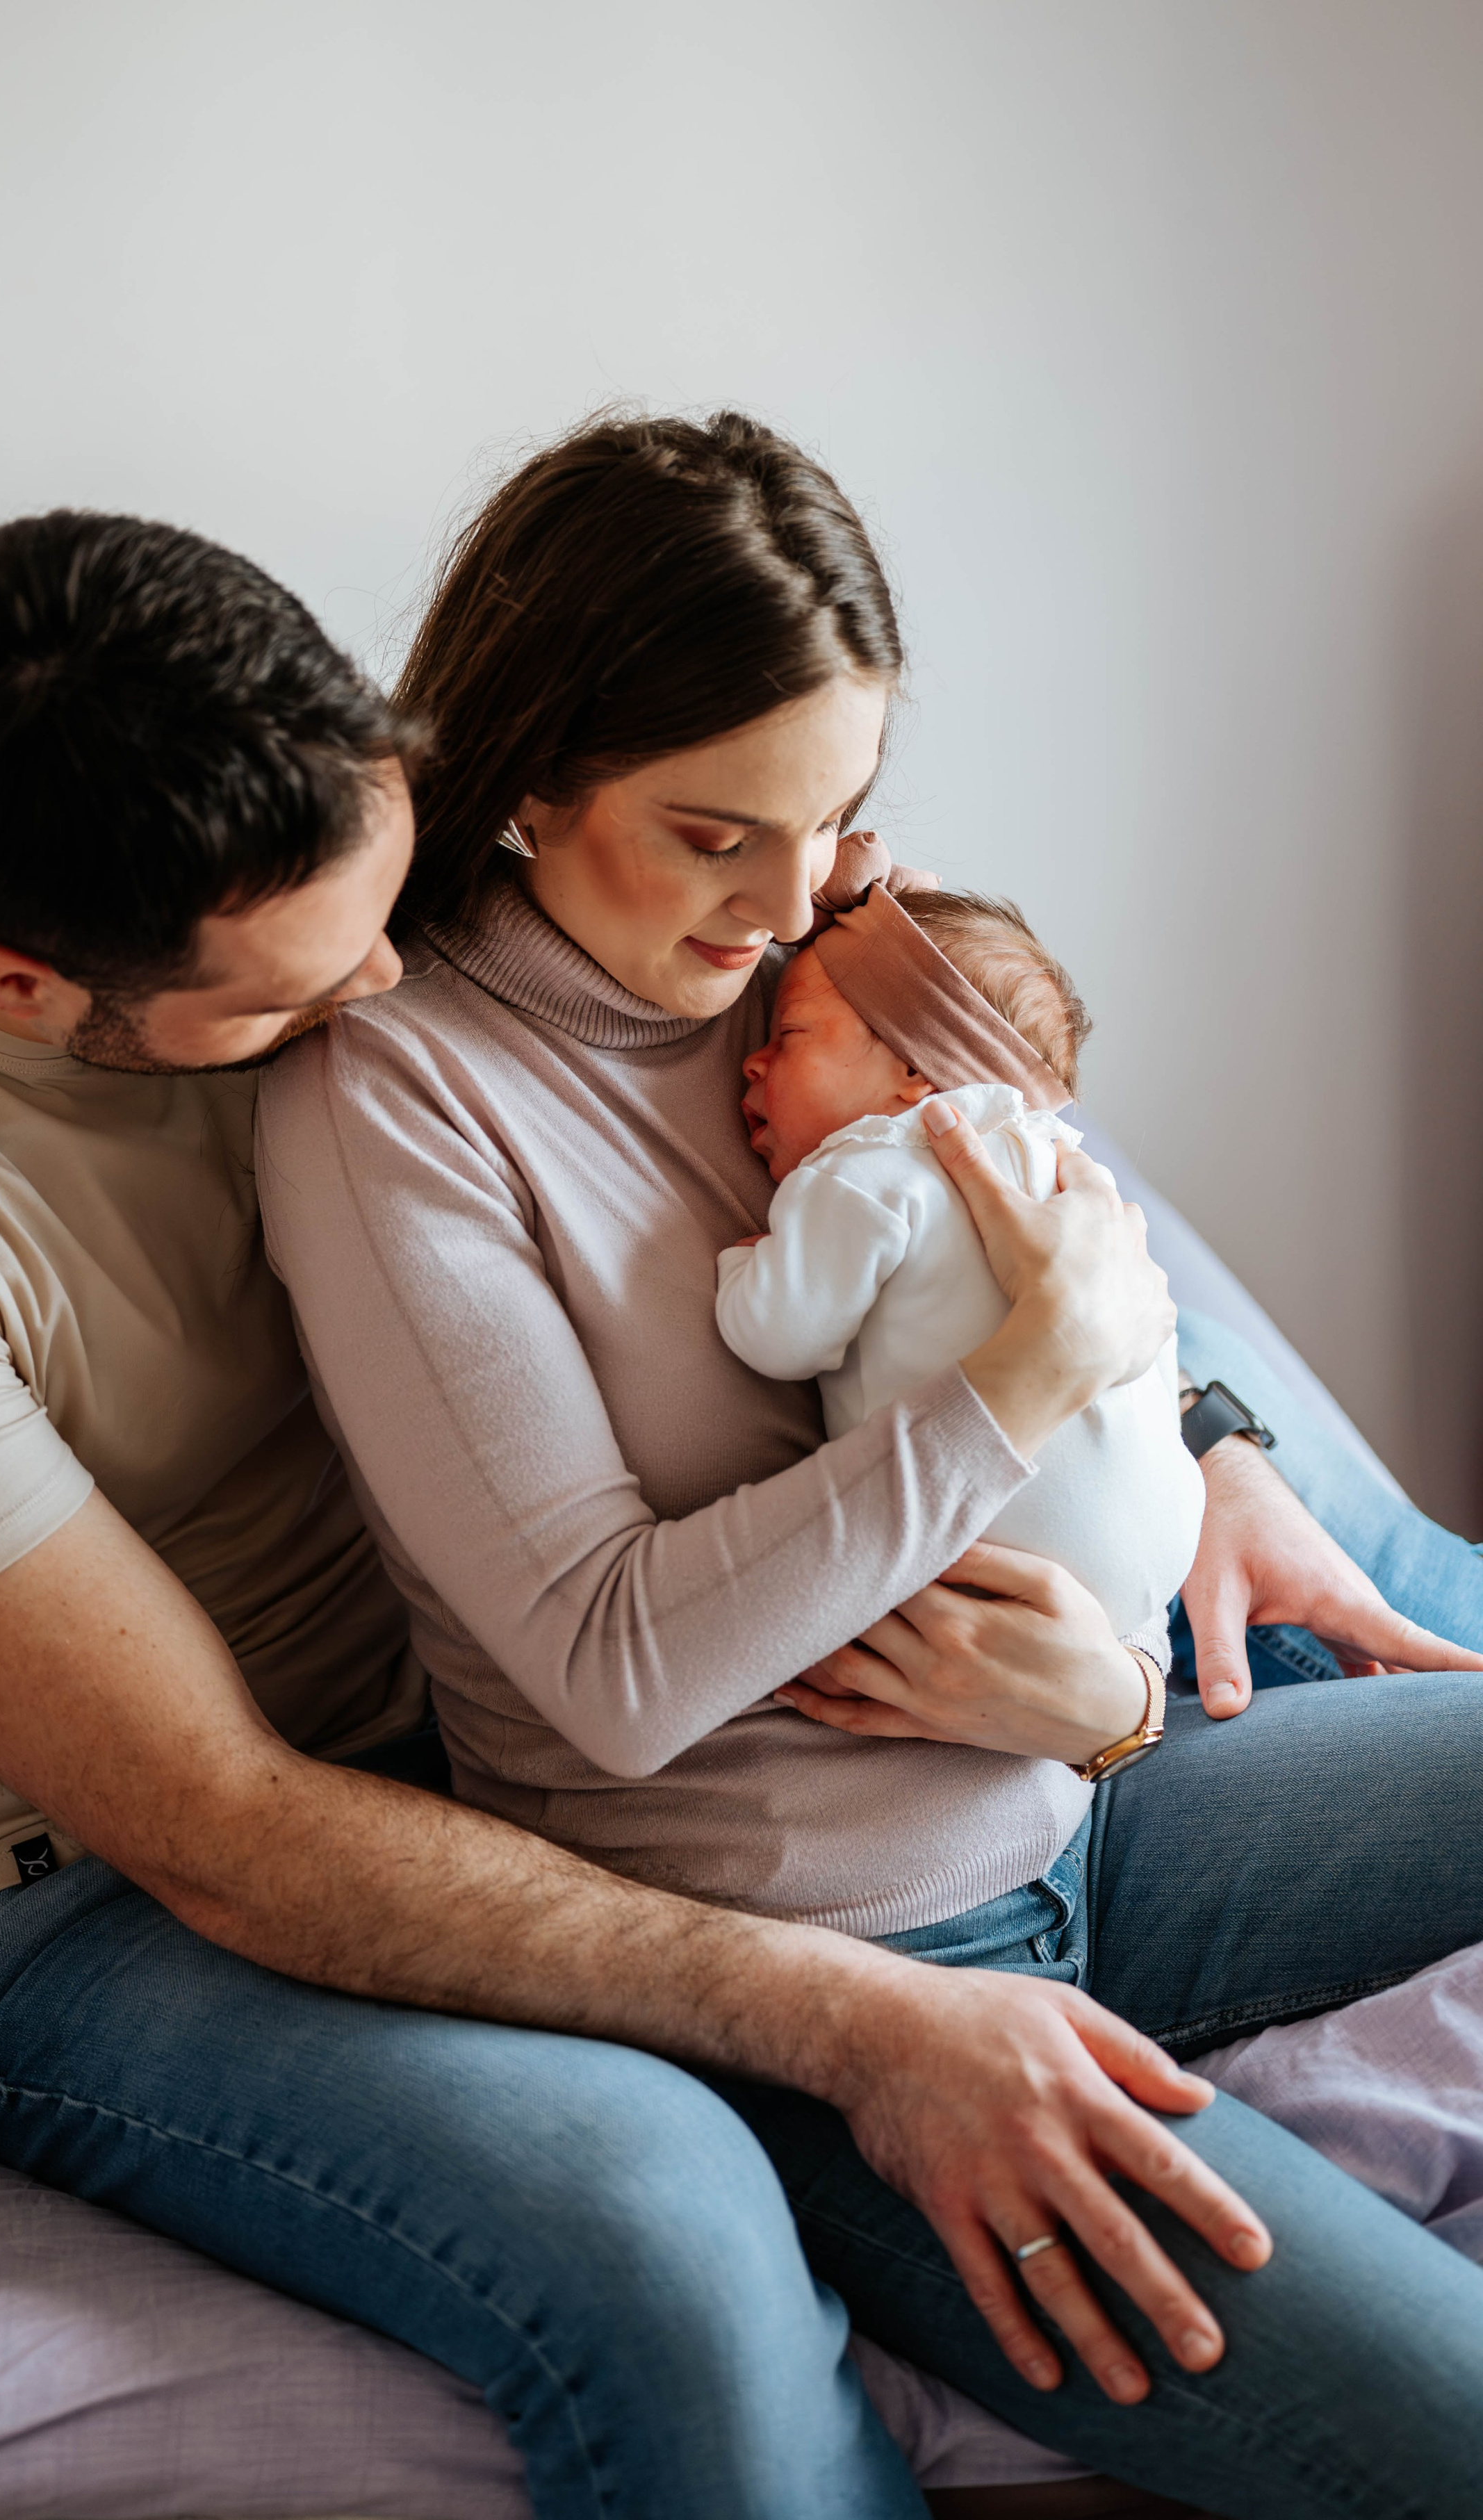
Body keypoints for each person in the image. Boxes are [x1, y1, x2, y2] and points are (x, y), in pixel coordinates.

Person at [0, 493, 1470, 2520]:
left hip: (609, 1756)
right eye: (291, 999)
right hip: (64, 1882)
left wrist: (1199, 1463)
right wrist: (872, 2022)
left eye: (393, 888)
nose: (384, 980)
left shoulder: (533, 873)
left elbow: (1006, 1192)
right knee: (662, 2229)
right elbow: (230, 1826)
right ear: (29, 993)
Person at [259, 408, 1483, 2515]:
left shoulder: (839, 951)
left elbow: (1077, 1260)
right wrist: (1005, 1396)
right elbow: (613, 1666)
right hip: (844, 1970)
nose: (788, 896)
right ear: (531, 777)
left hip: (1100, 1805)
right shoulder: (398, 1095)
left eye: (834, 815)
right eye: (714, 829)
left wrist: (1158, 1544)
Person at [716, 876, 1203, 1654]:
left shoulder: (865, 1166)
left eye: (790, 1035)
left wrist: (743, 1271)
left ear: (916, 1070)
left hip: (1002, 1553)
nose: (752, 1062)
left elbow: (778, 1338)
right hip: (1166, 1545)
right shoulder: (1071, 1173)